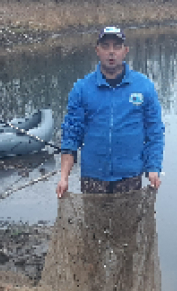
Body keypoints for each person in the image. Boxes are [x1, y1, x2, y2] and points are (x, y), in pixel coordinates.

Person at [56, 26, 165, 197]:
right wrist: (64, 177)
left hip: (130, 176)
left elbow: (155, 131)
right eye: (106, 46)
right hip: (93, 177)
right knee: (93, 224)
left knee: (129, 224)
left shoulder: (144, 86)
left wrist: (153, 167)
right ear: (97, 50)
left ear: (125, 51)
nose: (111, 52)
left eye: (117, 46)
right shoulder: (81, 88)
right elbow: (71, 135)